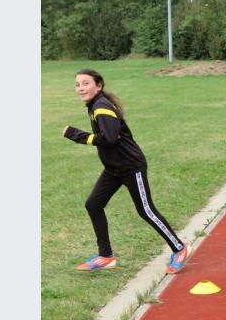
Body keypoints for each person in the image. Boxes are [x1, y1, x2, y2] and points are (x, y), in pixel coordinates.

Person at [63, 69, 192, 273]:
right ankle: (105, 256)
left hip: (131, 167)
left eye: (85, 83)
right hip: (113, 168)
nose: (80, 88)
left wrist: (75, 134)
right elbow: (110, 137)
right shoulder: (95, 105)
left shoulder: (101, 106)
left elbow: (109, 138)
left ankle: (180, 248)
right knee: (93, 204)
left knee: (146, 210)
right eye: (77, 84)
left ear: (99, 85)